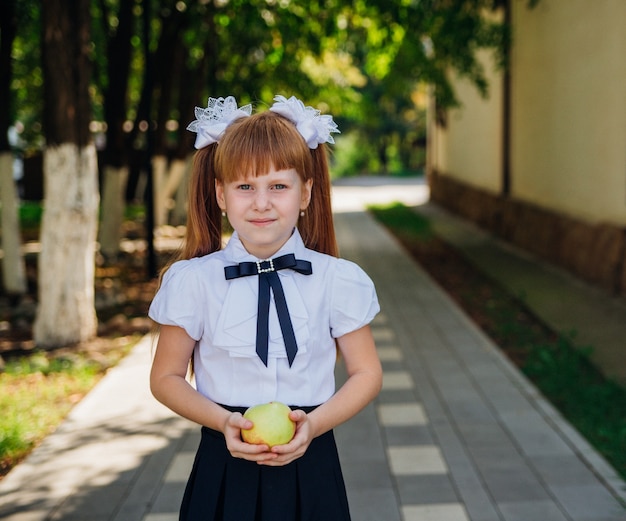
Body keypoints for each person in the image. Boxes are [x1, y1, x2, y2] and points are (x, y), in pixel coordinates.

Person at [149, 95, 382, 521]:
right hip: (224, 463)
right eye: (244, 187)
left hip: (311, 462)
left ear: (306, 192)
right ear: (220, 194)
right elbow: (165, 378)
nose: (261, 203)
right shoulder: (193, 281)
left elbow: (367, 373)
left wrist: (315, 424)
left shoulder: (337, 279)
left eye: (278, 186)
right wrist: (223, 423)